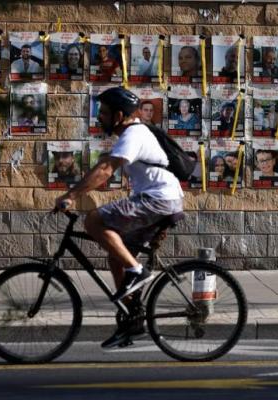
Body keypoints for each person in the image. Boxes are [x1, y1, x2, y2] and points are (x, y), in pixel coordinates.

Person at [54, 87, 184, 348]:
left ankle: (137, 271)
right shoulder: (130, 134)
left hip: (157, 199)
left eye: (103, 112)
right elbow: (102, 165)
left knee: (93, 220)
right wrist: (76, 189)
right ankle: (131, 322)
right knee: (115, 256)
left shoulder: (134, 134)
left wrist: (71, 196)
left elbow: (105, 170)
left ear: (119, 115)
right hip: (162, 199)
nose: (99, 117)